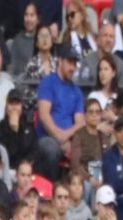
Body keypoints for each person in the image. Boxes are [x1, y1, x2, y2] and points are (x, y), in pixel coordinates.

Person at [35, 43, 84, 181]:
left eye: (74, 64)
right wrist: (59, 137)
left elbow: (80, 122)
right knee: (51, 149)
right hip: (47, 138)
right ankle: (51, 191)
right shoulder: (48, 82)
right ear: (59, 61)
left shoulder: (77, 91)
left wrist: (66, 137)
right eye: (69, 62)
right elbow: (44, 116)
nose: (72, 68)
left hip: (69, 139)